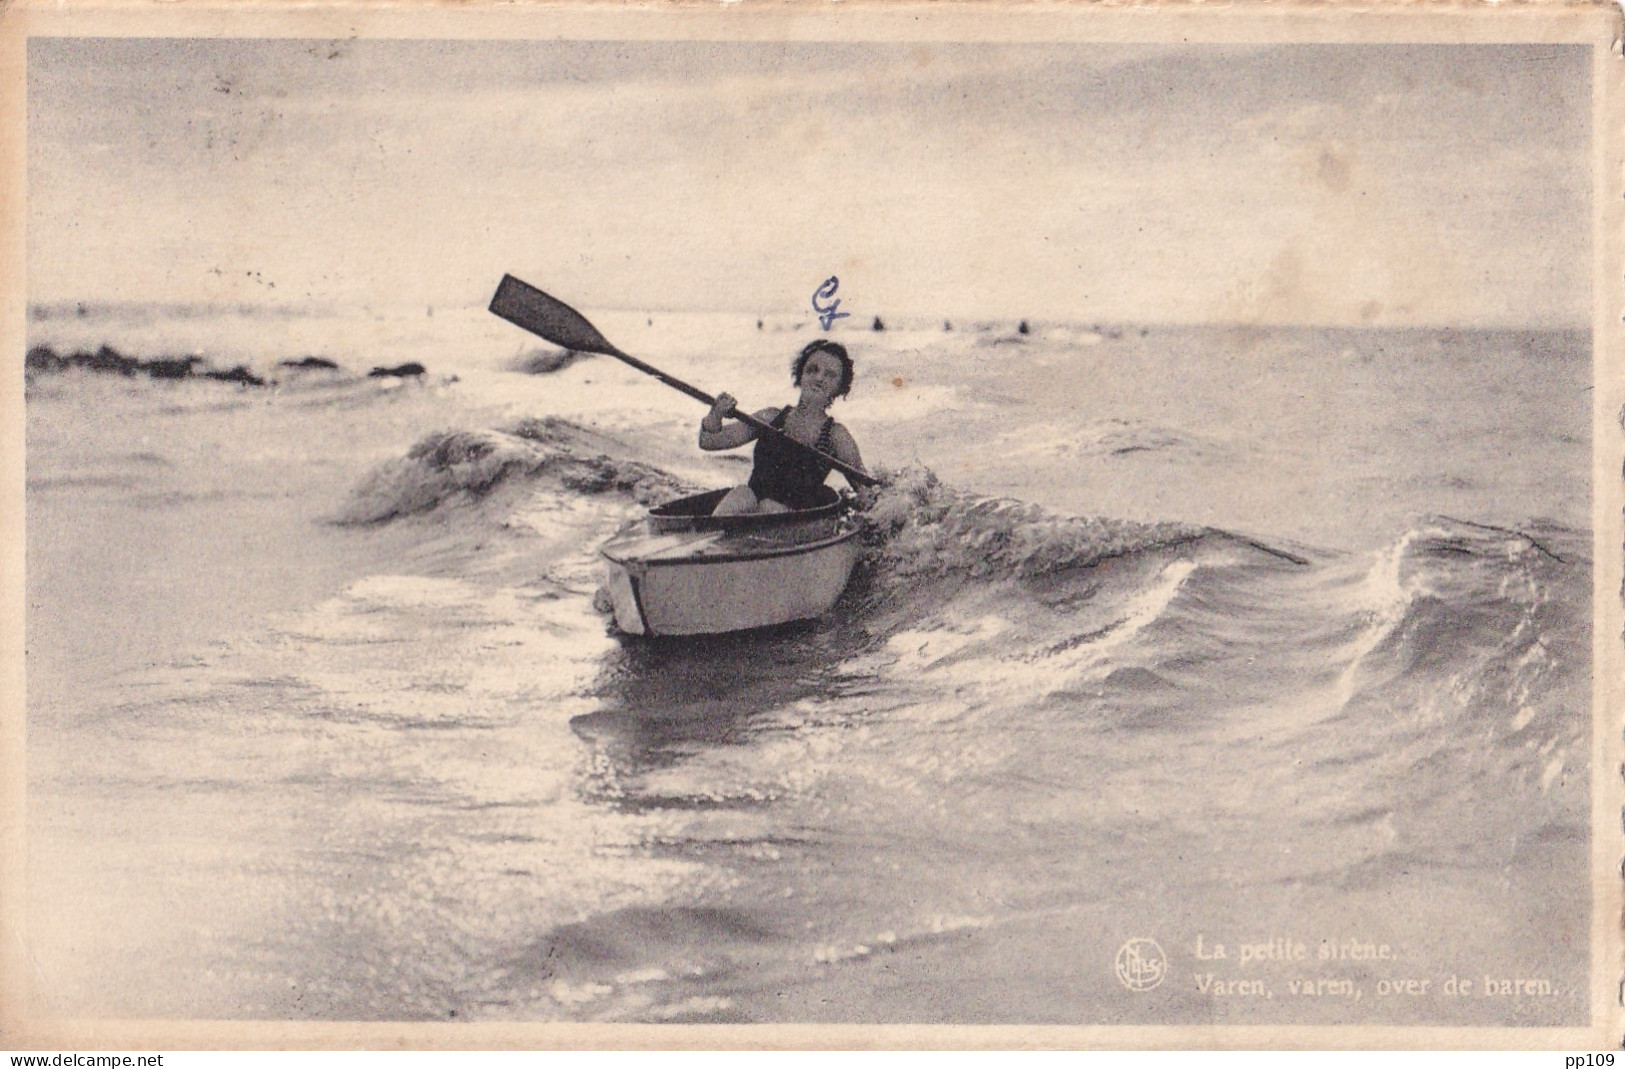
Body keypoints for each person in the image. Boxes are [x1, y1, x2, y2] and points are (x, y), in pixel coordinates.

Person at [699, 339, 867, 515]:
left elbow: (865, 491)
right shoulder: (770, 418)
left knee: (769, 507)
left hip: (794, 520)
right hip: (750, 504)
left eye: (830, 375)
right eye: (813, 370)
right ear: (801, 376)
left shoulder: (836, 436)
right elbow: (709, 441)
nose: (819, 378)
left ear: (839, 388)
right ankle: (714, 532)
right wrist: (716, 414)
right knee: (742, 493)